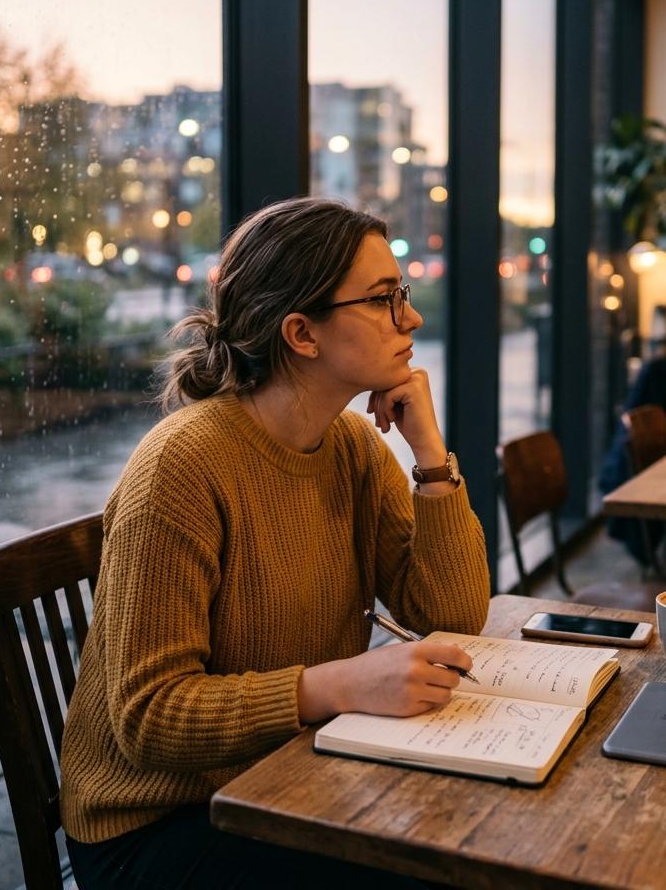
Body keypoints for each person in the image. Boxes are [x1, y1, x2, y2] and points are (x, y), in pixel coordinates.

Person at [60, 197, 490, 889]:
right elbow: (149, 716)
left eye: (402, 295)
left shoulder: (351, 445)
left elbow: (454, 612)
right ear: (302, 332)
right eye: (384, 299)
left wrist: (431, 458)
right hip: (158, 826)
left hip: (285, 774)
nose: (410, 318)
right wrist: (343, 684)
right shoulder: (182, 467)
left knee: (475, 830)